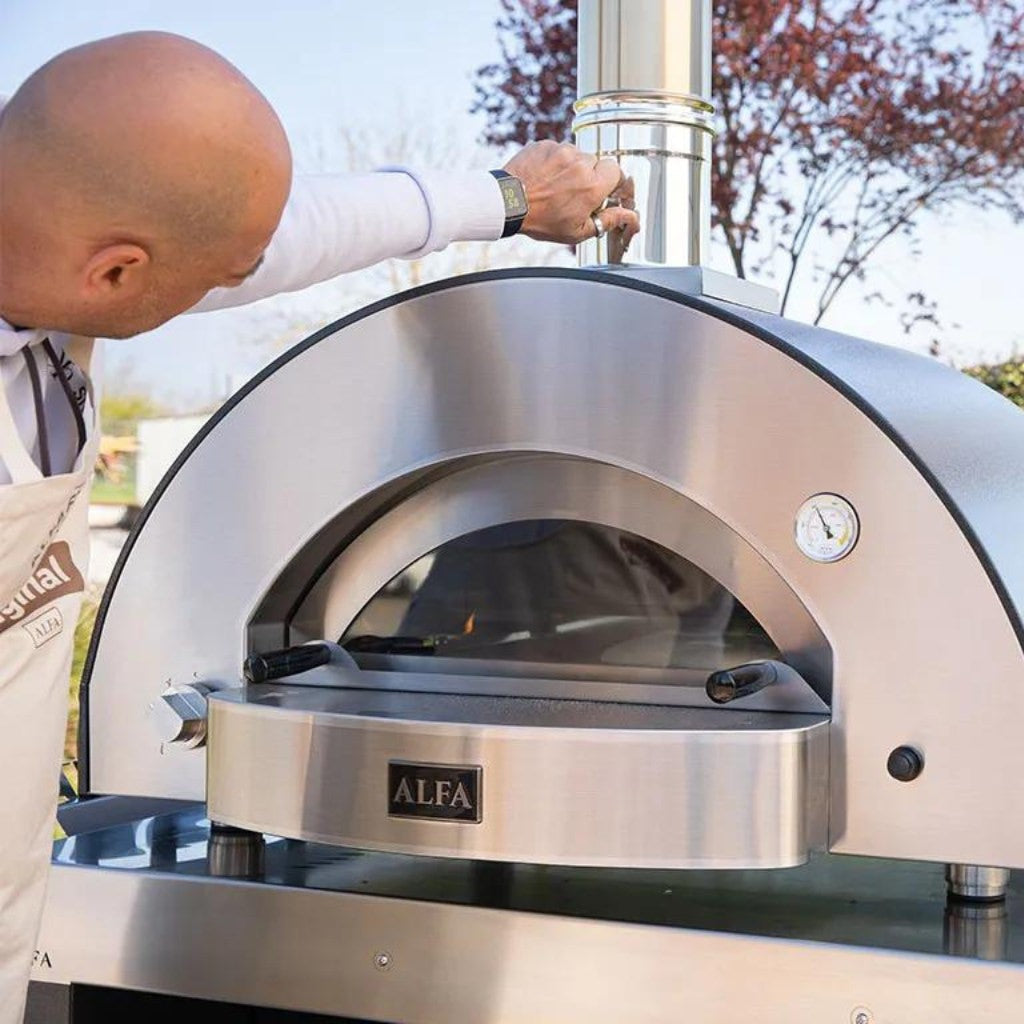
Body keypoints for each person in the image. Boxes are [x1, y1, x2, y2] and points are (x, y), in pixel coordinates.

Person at [0, 30, 639, 1021]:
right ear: (117, 273)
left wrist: (507, 199)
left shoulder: (47, 245)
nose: (238, 282)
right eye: (220, 276)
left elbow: (288, 234)